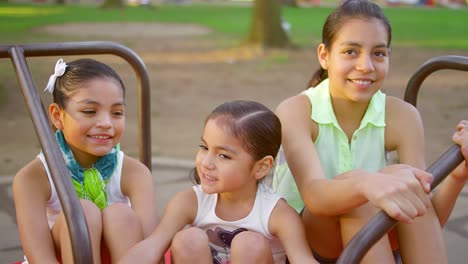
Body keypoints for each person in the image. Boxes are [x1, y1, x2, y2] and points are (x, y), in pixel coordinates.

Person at [272, 0, 467, 263]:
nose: (366, 66)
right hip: (307, 243)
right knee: (369, 193)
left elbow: (422, 218)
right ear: (324, 55)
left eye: (378, 53)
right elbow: (315, 196)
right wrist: (367, 183)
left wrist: (457, 176)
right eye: (351, 52)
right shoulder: (296, 110)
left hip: (375, 237)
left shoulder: (403, 116)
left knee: (403, 181)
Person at [119, 100, 318, 264]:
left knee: (248, 244)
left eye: (223, 156)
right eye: (204, 147)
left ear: (261, 167)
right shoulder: (190, 201)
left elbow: (303, 260)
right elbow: (153, 245)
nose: (206, 163)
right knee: (187, 239)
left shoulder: (278, 214)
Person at [13, 58, 157, 264]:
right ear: (57, 116)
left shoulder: (135, 173)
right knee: (83, 212)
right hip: (61, 258)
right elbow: (40, 257)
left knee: (120, 215)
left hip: (122, 257)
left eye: (117, 113)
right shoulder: (33, 177)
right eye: (90, 111)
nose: (106, 123)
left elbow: (151, 247)